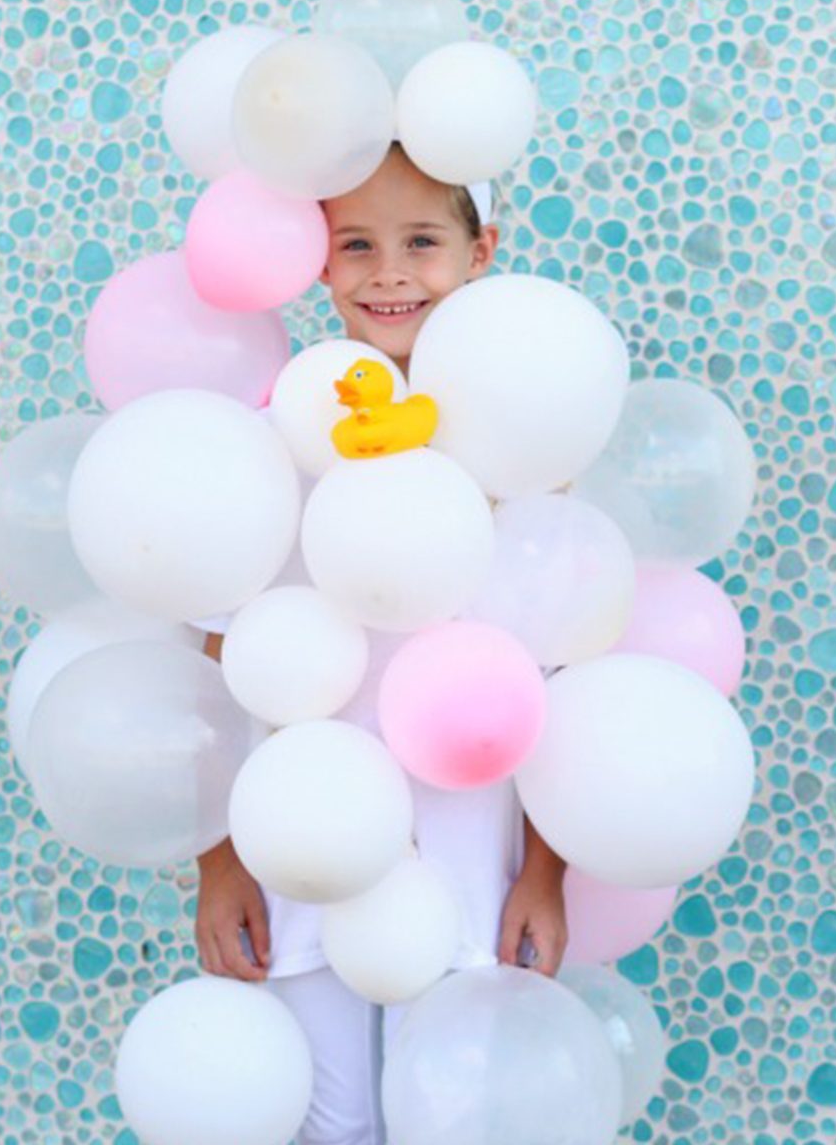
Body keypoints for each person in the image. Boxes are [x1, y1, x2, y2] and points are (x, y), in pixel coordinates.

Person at [194, 140, 570, 1145]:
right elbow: (217, 676)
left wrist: (544, 875)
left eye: (422, 242)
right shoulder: (274, 439)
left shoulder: (522, 446)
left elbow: (562, 683)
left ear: (481, 251)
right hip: (301, 856)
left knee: (449, 1117)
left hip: (467, 861)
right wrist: (219, 867)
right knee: (330, 1124)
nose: (389, 272)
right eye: (357, 243)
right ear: (317, 259)